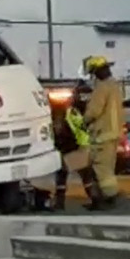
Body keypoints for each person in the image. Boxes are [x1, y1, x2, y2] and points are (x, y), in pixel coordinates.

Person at [52, 80, 104, 211]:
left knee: (62, 175)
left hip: (74, 146)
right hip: (89, 145)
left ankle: (59, 203)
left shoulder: (71, 112)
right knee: (87, 175)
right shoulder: (92, 110)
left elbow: (64, 130)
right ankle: (97, 200)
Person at [82, 56, 126, 206]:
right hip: (113, 133)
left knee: (101, 169)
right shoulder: (114, 85)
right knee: (107, 168)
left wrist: (83, 120)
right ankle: (105, 198)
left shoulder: (101, 88)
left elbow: (94, 111)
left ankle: (107, 198)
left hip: (102, 135)